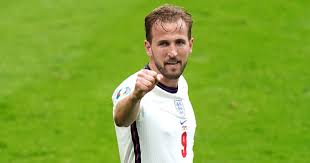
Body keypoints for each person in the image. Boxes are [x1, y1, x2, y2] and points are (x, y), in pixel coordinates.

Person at [112, 4, 196, 163]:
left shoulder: (181, 84)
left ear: (190, 45)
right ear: (148, 47)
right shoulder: (133, 87)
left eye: (179, 42)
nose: (173, 53)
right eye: (164, 44)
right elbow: (121, 118)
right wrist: (135, 96)